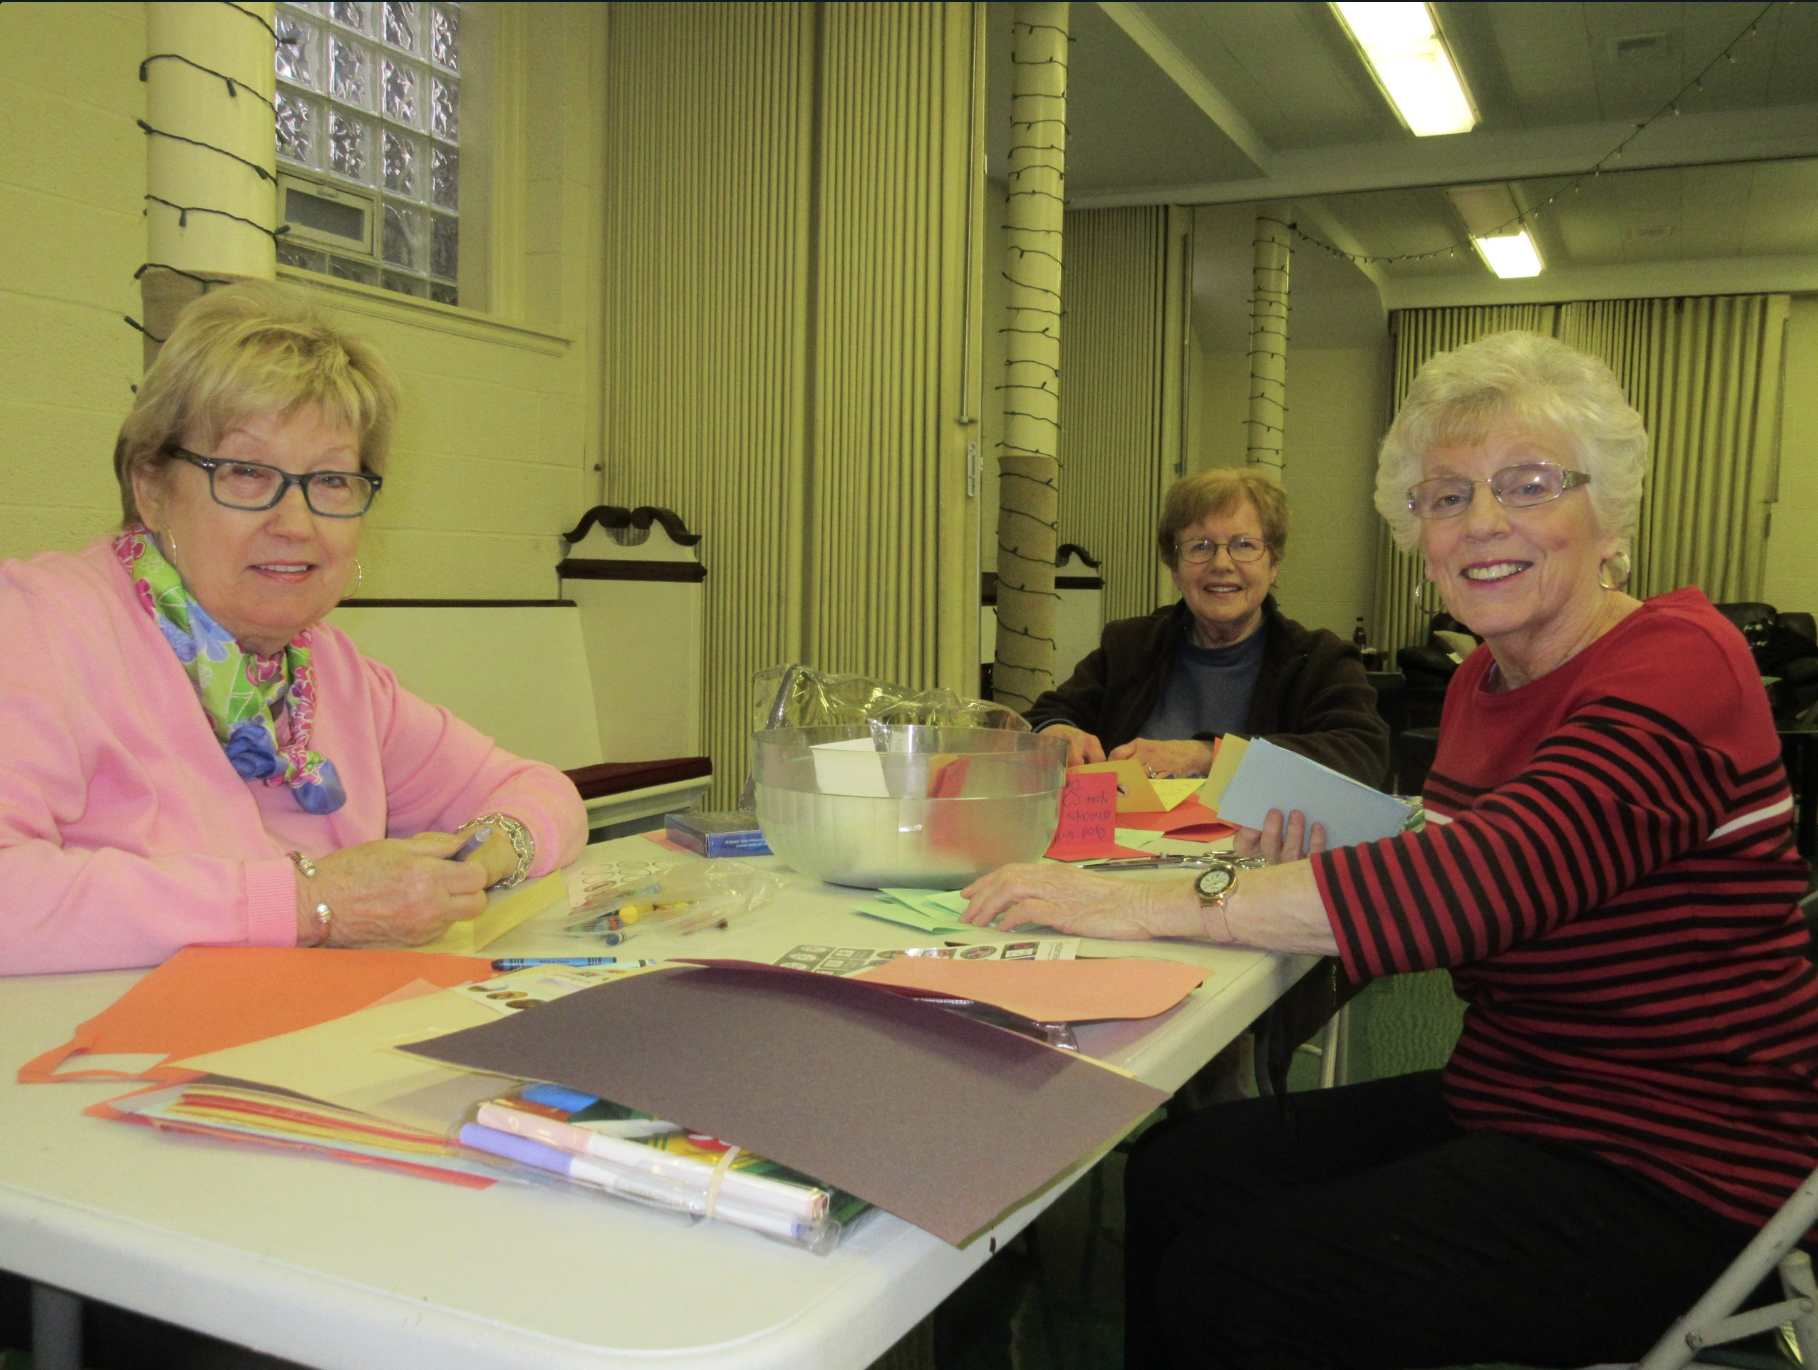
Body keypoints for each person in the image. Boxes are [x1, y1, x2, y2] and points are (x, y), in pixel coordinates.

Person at [963, 331, 1818, 1369]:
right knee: (1178, 1167)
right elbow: (1467, 864)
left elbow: (1495, 876)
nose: (1483, 522)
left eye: (1529, 483)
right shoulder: (1479, 685)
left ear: (1610, 514)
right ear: (1417, 529)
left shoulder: (1680, 659)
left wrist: (1155, 898)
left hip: (1677, 1163)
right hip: (1518, 1091)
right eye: (1446, 495)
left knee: (1230, 1280)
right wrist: (1311, 845)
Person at [0, 282, 588, 976]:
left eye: (333, 482)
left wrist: (480, 860)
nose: (297, 523)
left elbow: (542, 791)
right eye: (247, 472)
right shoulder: (41, 626)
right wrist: (311, 904)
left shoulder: (326, 675)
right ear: (151, 487)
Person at [1026, 468, 1388, 788]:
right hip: (1124, 855)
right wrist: (1058, 734)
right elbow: (1044, 718)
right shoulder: (1130, 646)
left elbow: (1362, 757)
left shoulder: (1319, 659)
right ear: (1175, 569)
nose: (1222, 564)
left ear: (1273, 564)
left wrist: (1207, 756)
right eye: (1200, 547)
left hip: (1259, 856)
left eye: (1244, 545)